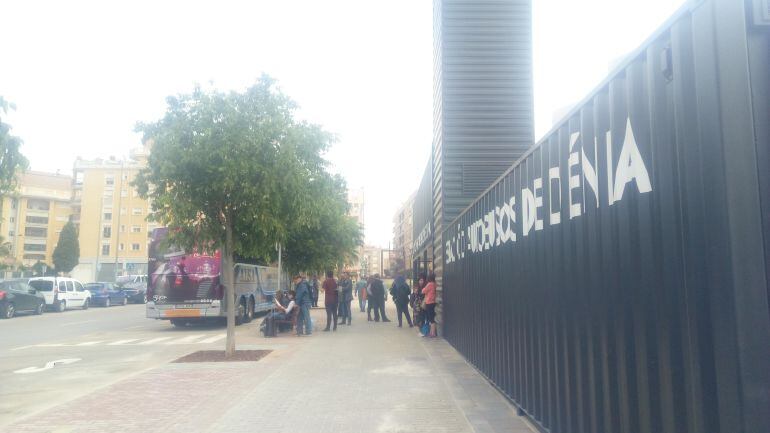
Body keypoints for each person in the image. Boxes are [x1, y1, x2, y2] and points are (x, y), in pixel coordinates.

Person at [422, 273, 438, 337]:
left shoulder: (429, 284)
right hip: (433, 302)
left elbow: (423, 291)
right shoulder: (434, 284)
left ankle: (433, 333)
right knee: (432, 318)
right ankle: (431, 333)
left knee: (431, 319)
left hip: (429, 303)